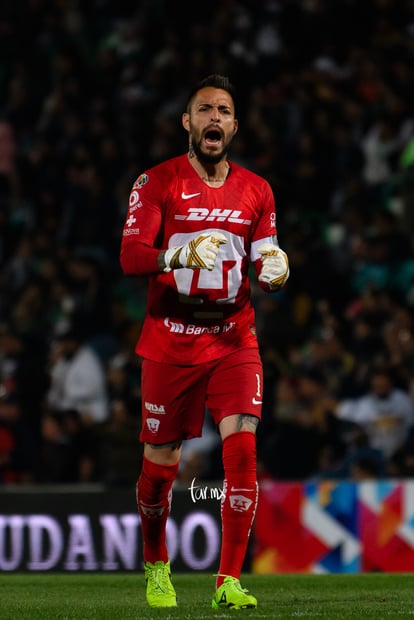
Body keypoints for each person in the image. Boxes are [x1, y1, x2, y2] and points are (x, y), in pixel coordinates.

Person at [120, 74, 289, 610]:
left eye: (223, 110)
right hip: (170, 342)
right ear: (187, 123)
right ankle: (156, 564)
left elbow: (264, 259)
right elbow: (130, 257)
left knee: (243, 447)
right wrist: (176, 256)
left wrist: (276, 267)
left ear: (235, 126)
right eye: (204, 110)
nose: (214, 117)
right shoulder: (156, 182)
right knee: (158, 469)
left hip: (234, 338)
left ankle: (228, 581)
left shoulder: (257, 190)